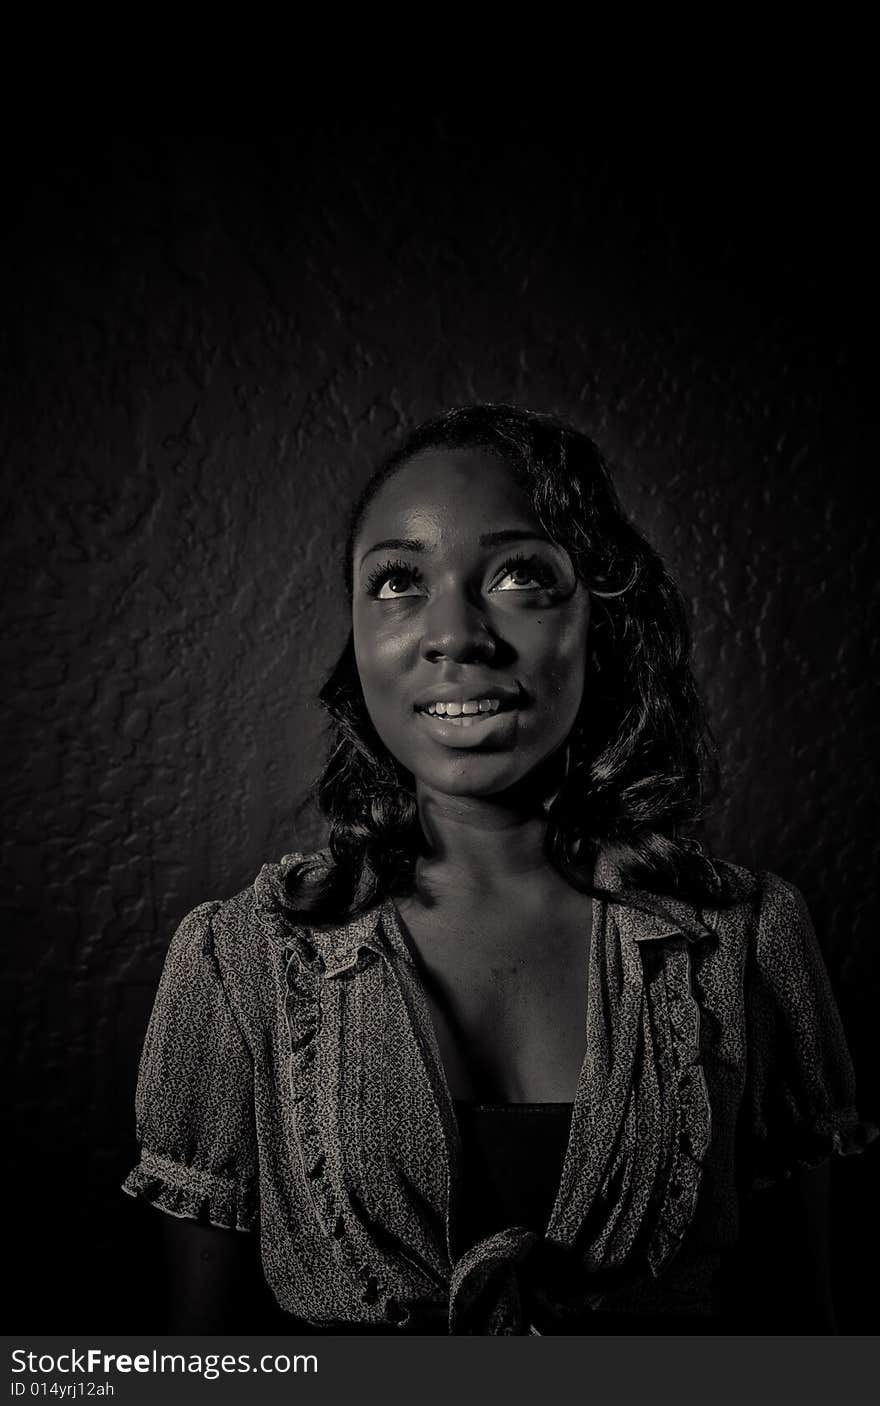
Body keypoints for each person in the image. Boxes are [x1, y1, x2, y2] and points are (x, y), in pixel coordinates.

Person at [123, 403, 874, 1334]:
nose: (455, 635)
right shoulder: (238, 964)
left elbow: (813, 1353)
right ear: (356, 637)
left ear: (601, 621)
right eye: (398, 581)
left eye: (522, 575)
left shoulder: (747, 941)